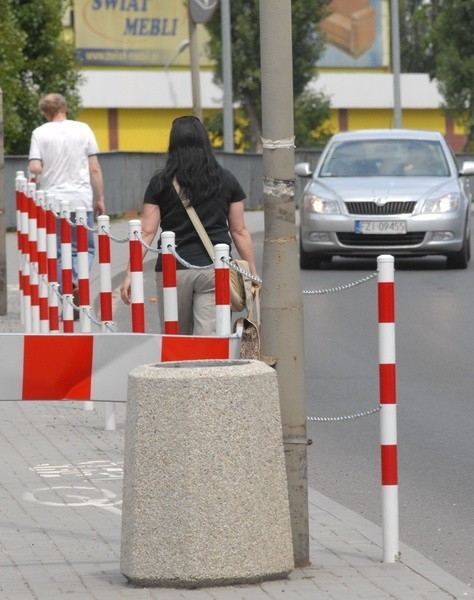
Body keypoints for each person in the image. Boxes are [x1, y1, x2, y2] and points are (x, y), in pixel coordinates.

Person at [120, 115, 260, 335]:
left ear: (173, 144)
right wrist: (252, 273)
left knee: (176, 339)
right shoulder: (226, 179)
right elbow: (239, 230)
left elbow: (146, 231)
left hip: (172, 270)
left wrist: (130, 273)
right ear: (205, 142)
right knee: (209, 341)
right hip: (214, 270)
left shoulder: (160, 183)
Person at [28, 92, 105, 309]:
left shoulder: (39, 133)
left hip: (53, 202)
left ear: (45, 112)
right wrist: (99, 198)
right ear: (66, 107)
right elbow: (94, 168)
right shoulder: (83, 129)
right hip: (81, 200)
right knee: (85, 248)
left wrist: (45, 169)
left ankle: (67, 287)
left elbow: (34, 167)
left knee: (60, 249)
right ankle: (77, 280)